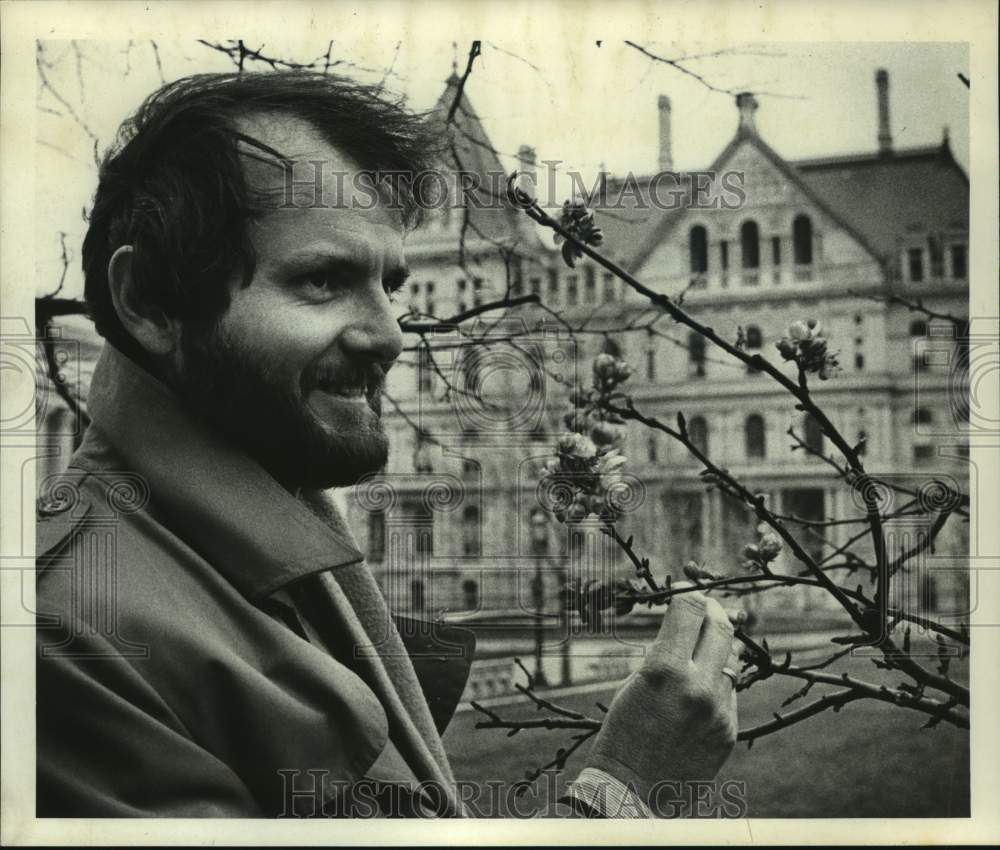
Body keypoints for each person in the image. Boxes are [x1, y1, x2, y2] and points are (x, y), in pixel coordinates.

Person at [35, 70, 738, 818]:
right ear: (148, 300)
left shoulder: (271, 530)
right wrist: (625, 790)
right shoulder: (67, 637)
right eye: (322, 281)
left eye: (394, 285)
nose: (392, 336)